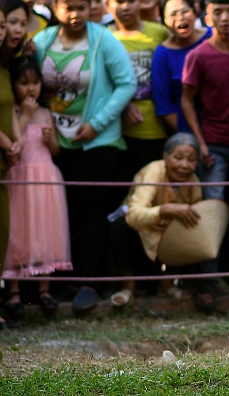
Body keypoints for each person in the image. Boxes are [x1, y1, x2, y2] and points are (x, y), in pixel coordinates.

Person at [33, 0, 137, 313]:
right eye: (68, 7)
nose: (75, 14)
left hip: (97, 141)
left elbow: (126, 83)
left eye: (81, 6)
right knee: (60, 211)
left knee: (90, 213)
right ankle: (65, 281)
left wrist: (97, 124)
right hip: (53, 142)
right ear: (55, 7)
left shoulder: (104, 39)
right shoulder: (42, 41)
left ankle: (91, 283)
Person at [181, 0, 229, 301]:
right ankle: (209, 279)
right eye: (219, 13)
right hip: (213, 143)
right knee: (211, 210)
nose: (225, 18)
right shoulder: (198, 55)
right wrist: (199, 142)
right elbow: (187, 100)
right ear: (208, 17)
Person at [4, 56, 72, 318]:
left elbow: (55, 150)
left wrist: (51, 138)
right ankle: (14, 291)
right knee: (18, 231)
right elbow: (12, 141)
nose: (31, 88)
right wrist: (27, 116)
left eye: (35, 82)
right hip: (19, 177)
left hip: (45, 178)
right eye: (24, 83)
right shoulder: (13, 112)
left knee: (45, 232)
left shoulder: (46, 112)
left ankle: (44, 289)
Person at [109, 133, 207, 308]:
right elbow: (134, 215)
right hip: (140, 230)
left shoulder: (194, 181)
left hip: (167, 236)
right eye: (178, 158)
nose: (185, 165)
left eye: (191, 160)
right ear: (166, 157)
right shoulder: (153, 171)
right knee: (121, 227)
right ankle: (128, 285)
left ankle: (167, 283)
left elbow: (197, 216)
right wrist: (164, 210)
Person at [106, 0, 170, 180]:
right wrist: (123, 106)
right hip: (119, 130)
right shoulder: (104, 37)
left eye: (131, 1)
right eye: (119, 2)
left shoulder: (159, 32)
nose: (126, 7)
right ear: (107, 5)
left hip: (158, 124)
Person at [152, 0, 211, 134]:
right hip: (187, 130)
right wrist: (192, 138)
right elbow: (164, 106)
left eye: (185, 11)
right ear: (164, 20)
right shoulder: (162, 54)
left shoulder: (211, 36)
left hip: (224, 126)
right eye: (173, 14)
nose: (180, 17)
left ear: (195, 13)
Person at [0, 4, 22, 330]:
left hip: (3, 168)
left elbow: (11, 109)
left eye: (2, 24)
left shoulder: (4, 68)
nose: (1, 30)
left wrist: (17, 140)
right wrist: (5, 141)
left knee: (1, 235)